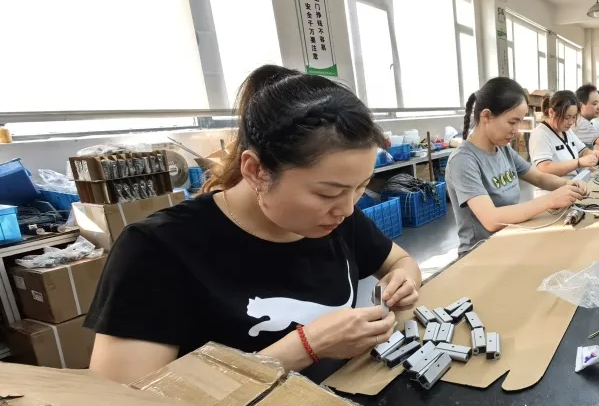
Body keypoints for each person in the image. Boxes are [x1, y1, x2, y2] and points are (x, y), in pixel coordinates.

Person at [85, 65, 422, 384]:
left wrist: (402, 280)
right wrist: (307, 346)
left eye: (360, 187)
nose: (348, 209)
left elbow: (400, 261)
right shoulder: (156, 250)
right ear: (256, 171)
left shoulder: (336, 218)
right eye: (327, 193)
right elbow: (127, 398)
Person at [447, 77, 587, 257]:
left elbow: (539, 177)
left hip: (509, 241)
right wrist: (550, 200)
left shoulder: (503, 150)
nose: (517, 130)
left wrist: (568, 185)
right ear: (486, 116)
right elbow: (491, 219)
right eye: (512, 122)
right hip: (481, 254)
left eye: (520, 121)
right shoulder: (463, 160)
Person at [529, 90, 599, 177]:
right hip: (555, 185)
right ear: (551, 113)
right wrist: (578, 163)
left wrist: (591, 154)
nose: (571, 122)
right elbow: (545, 168)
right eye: (567, 117)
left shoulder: (567, 131)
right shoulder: (540, 134)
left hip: (573, 181)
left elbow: (582, 151)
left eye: (574, 117)